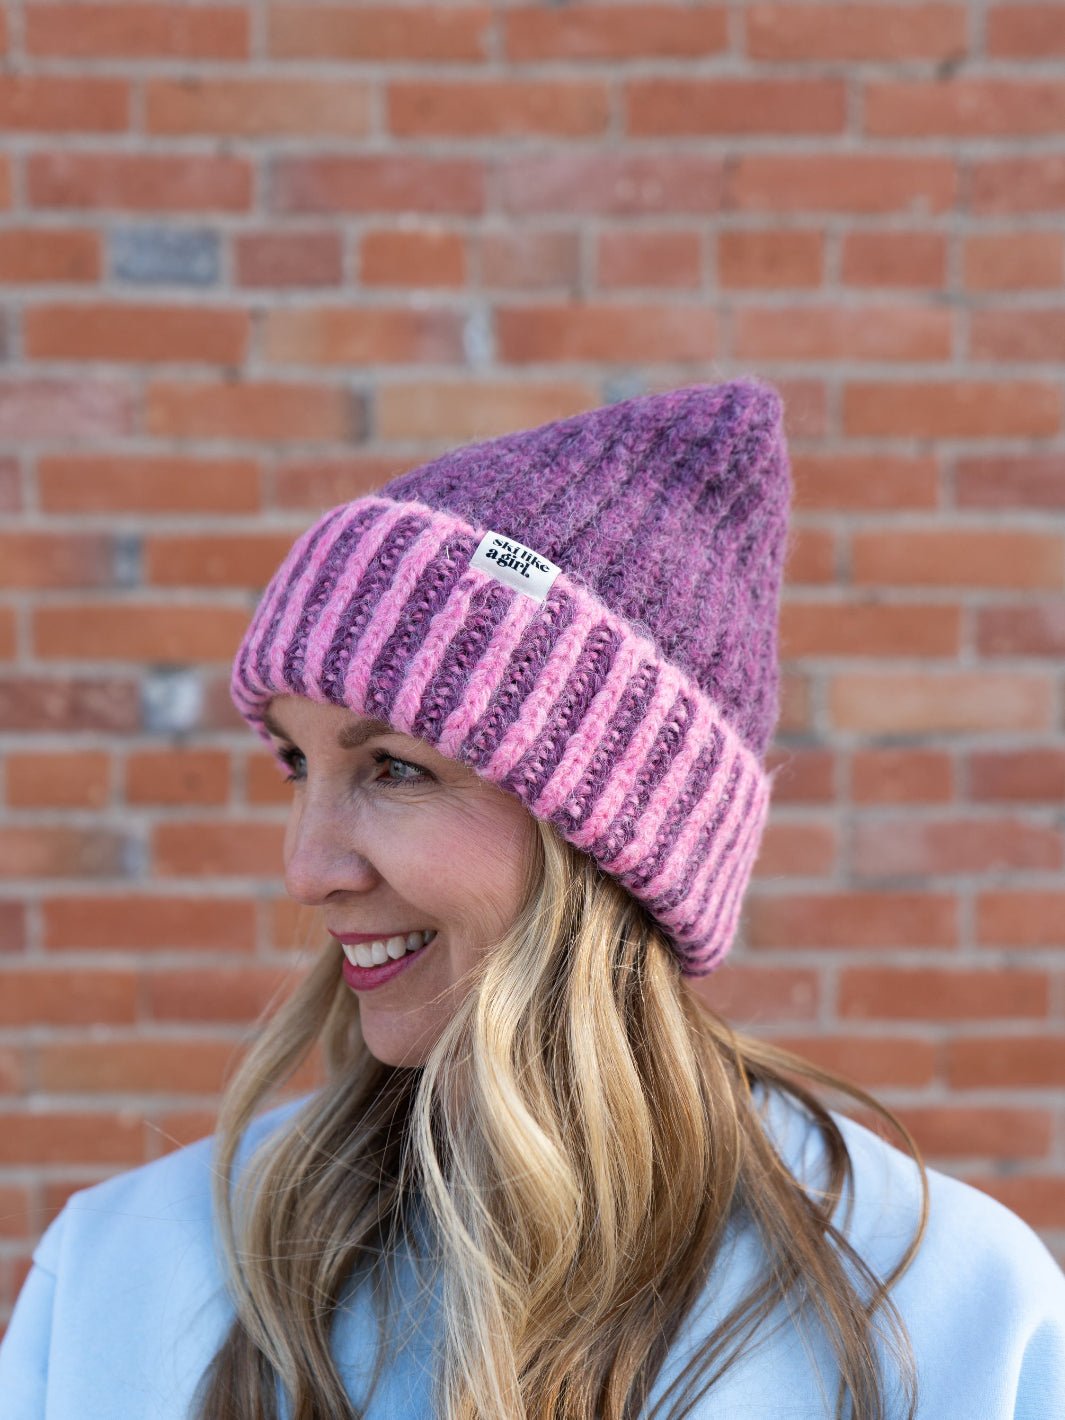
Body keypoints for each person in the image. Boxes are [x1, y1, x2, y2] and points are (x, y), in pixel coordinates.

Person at [2, 379, 1064, 1420]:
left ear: (612, 841)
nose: (306, 867)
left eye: (396, 768)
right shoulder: (123, 1277)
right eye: (296, 762)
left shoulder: (950, 1314)